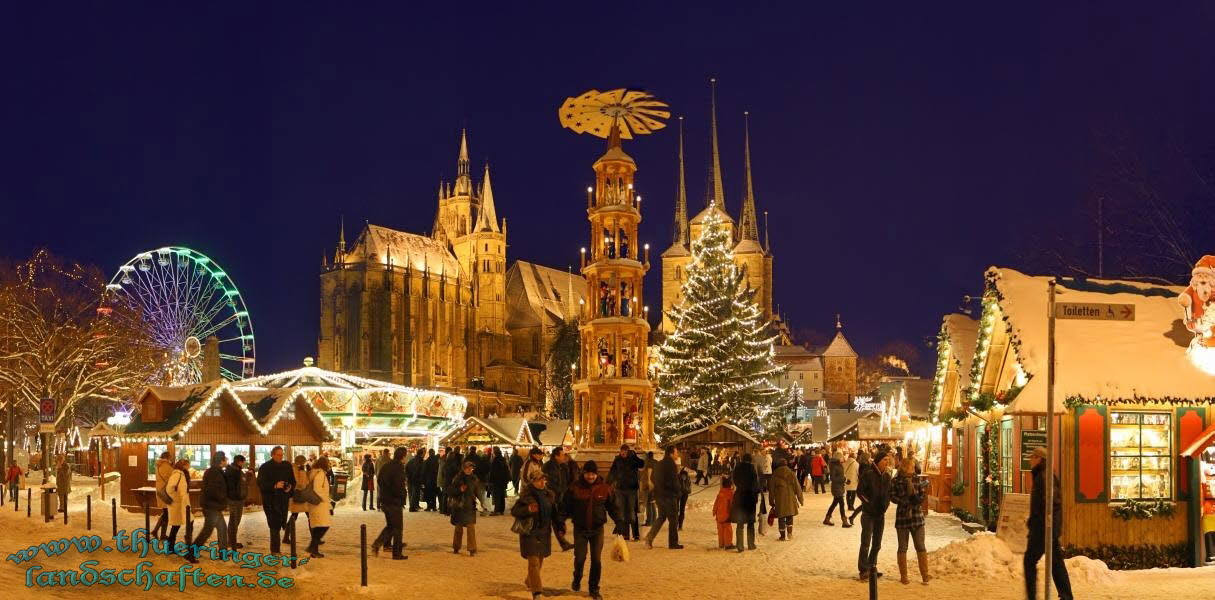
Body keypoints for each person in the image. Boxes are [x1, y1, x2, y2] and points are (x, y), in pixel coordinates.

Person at [1024, 447, 1074, 600]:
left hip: (1043, 530)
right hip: (1045, 528)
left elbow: (1051, 504)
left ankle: (1033, 597)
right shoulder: (1042, 476)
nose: (1029, 460)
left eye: (1032, 457)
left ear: (1039, 459)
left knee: (1029, 561)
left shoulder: (1044, 477)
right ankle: (1066, 596)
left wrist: (1042, 525)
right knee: (1056, 564)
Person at [566, 460, 616, 600]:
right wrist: (560, 522)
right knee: (580, 558)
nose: (591, 477)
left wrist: (620, 522)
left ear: (596, 474)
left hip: (597, 529)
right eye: (588, 474)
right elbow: (566, 506)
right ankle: (577, 577)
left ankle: (594, 588)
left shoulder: (604, 488)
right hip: (580, 528)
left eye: (593, 474)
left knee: (596, 560)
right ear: (584, 473)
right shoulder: (574, 488)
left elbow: (612, 507)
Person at [512, 470, 559, 600]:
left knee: (540, 560)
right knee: (533, 561)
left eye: (544, 480)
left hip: (544, 532)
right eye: (539, 480)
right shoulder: (526, 495)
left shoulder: (549, 495)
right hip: (530, 532)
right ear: (532, 481)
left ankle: (529, 581)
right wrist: (527, 510)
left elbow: (554, 513)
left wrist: (560, 525)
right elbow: (515, 511)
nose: (542, 482)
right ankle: (537, 592)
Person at [891, 456, 931, 585]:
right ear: (904, 467)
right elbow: (892, 496)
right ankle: (904, 576)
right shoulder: (896, 481)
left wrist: (918, 498)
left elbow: (922, 495)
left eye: (914, 466)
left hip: (916, 516)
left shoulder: (917, 479)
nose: (914, 468)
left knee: (920, 546)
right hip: (903, 516)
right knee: (903, 547)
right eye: (912, 466)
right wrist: (903, 502)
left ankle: (925, 574)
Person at [857, 450, 894, 581]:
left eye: (888, 460)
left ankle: (872, 566)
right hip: (868, 514)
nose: (887, 462)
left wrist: (886, 504)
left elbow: (889, 493)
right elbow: (860, 492)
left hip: (880, 514)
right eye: (885, 460)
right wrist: (869, 504)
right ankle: (863, 569)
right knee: (866, 542)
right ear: (878, 461)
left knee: (877, 543)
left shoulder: (887, 476)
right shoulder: (868, 474)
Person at [256, 446, 294, 554]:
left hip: (283, 500)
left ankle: (276, 549)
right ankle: (275, 550)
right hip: (270, 500)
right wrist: (275, 485)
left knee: (279, 523)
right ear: (272, 455)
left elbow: (292, 480)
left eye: (282, 455)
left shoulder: (286, 466)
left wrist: (290, 488)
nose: (280, 457)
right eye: (278, 455)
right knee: (274, 525)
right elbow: (261, 484)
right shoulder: (265, 467)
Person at [371, 447, 408, 560]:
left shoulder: (387, 466)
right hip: (394, 501)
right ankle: (396, 553)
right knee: (397, 528)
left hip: (385, 499)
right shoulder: (398, 468)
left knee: (391, 526)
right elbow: (399, 486)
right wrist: (402, 496)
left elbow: (380, 480)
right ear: (403, 456)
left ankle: (378, 544)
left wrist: (385, 491)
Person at [645, 445, 683, 549]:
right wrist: (678, 491)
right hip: (669, 495)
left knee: (661, 517)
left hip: (659, 494)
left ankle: (649, 537)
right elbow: (673, 481)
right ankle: (673, 543)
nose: (677, 454)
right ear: (671, 454)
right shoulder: (671, 465)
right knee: (673, 519)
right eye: (676, 452)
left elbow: (653, 478)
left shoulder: (659, 464)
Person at [192, 451, 229, 555]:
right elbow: (213, 490)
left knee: (222, 528)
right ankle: (191, 552)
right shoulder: (215, 472)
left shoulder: (214, 471)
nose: (226, 461)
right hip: (212, 506)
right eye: (225, 459)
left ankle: (223, 552)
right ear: (221, 461)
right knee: (207, 531)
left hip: (213, 505)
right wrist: (222, 498)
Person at [607, 444, 644, 541]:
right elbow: (612, 471)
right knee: (622, 512)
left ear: (628, 452)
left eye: (625, 451)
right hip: (620, 489)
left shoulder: (632, 459)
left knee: (632, 511)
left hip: (631, 489)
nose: (623, 453)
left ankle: (636, 534)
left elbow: (641, 464)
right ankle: (625, 534)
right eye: (621, 451)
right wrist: (608, 482)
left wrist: (635, 456)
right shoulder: (617, 459)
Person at [544, 447, 576, 551]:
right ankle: (545, 544)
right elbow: (550, 482)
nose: (564, 457)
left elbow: (565, 480)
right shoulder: (549, 467)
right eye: (562, 455)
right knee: (548, 522)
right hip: (550, 498)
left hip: (559, 498)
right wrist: (559, 491)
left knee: (557, 522)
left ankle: (563, 543)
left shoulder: (562, 466)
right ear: (556, 456)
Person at [164, 459, 196, 563]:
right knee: (189, 525)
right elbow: (177, 491)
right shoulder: (179, 475)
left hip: (177, 505)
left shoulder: (177, 474)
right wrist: (183, 503)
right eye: (188, 465)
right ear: (184, 466)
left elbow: (172, 489)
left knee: (176, 525)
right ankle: (189, 551)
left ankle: (170, 547)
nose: (189, 467)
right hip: (181, 505)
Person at [448, 460, 481, 555]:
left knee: (471, 528)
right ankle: (456, 547)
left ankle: (472, 549)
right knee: (458, 529)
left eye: (471, 468)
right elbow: (450, 491)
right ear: (464, 468)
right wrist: (459, 490)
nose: (470, 470)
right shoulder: (458, 478)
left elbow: (476, 491)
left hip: (470, 506)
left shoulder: (474, 479)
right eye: (468, 468)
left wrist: (480, 501)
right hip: (459, 506)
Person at [768, 457, 803, 540]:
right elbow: (797, 487)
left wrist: (771, 501)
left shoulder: (775, 475)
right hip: (790, 497)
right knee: (790, 516)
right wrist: (800, 499)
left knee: (781, 517)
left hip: (780, 499)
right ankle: (790, 534)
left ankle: (782, 536)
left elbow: (771, 490)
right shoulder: (791, 473)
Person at [304, 456, 332, 558]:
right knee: (324, 525)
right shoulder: (320, 474)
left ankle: (314, 550)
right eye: (328, 463)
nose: (329, 464)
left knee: (318, 527)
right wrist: (325, 499)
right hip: (319, 504)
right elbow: (317, 488)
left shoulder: (316, 472)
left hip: (316, 504)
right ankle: (312, 547)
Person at [730, 452, 759, 552]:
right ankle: (751, 544)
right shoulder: (751, 469)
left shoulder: (737, 468)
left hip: (740, 497)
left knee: (740, 523)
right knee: (750, 523)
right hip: (750, 497)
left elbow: (735, 480)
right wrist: (756, 495)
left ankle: (740, 545)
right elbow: (755, 483)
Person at [283, 455, 310, 545]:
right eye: (304, 462)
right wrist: (303, 472)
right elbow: (301, 483)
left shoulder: (295, 468)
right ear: (301, 462)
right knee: (309, 516)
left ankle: (286, 536)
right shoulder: (296, 469)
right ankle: (315, 539)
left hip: (298, 496)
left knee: (295, 516)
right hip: (299, 496)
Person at [225, 455, 249, 549]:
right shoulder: (235, 471)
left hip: (235, 498)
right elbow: (238, 485)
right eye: (243, 462)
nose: (243, 464)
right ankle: (231, 542)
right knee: (234, 521)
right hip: (235, 499)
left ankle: (231, 541)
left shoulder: (233, 470)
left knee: (234, 521)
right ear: (240, 462)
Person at [825, 450, 850, 527]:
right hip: (836, 488)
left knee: (834, 503)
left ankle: (827, 518)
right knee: (841, 504)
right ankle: (844, 521)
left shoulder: (839, 465)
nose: (843, 457)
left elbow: (840, 476)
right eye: (842, 456)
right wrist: (843, 479)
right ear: (838, 457)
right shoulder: (834, 466)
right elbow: (833, 478)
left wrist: (845, 480)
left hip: (840, 487)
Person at [151, 451, 173, 539]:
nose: (171, 458)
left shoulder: (159, 465)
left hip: (161, 491)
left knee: (165, 513)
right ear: (167, 457)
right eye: (170, 457)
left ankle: (159, 532)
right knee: (166, 513)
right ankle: (157, 532)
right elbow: (171, 478)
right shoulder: (166, 466)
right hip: (166, 491)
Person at [712, 476, 735, 550]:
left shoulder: (720, 493)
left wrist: (714, 511)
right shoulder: (730, 493)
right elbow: (732, 505)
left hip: (719, 515)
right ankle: (728, 544)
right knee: (727, 530)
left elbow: (716, 503)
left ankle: (721, 544)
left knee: (720, 530)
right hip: (726, 515)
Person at [848, 450, 871, 522]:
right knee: (865, 504)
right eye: (869, 457)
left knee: (865, 504)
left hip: (864, 485)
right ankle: (853, 517)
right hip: (866, 487)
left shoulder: (861, 464)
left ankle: (852, 517)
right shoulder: (866, 465)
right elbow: (865, 476)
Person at [489, 447, 510, 515]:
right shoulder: (503, 459)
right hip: (503, 481)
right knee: (501, 495)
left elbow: (493, 472)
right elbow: (506, 470)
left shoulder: (495, 460)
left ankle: (497, 510)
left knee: (497, 495)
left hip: (497, 481)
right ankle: (501, 510)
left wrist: (490, 480)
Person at [639, 451, 656, 527]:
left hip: (649, 485)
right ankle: (654, 521)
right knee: (652, 503)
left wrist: (649, 481)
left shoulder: (648, 462)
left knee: (649, 503)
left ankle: (649, 521)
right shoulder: (656, 462)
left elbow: (649, 470)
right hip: (656, 484)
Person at [406, 447, 425, 512]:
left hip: (410, 479)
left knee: (411, 493)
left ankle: (415, 505)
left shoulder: (411, 460)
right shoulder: (420, 461)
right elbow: (420, 471)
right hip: (416, 480)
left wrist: (408, 476)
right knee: (415, 493)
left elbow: (406, 468)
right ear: (422, 454)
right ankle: (412, 507)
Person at [677, 465, 692, 530]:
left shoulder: (688, 480)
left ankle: (680, 525)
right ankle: (676, 523)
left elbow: (689, 490)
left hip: (684, 495)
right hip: (677, 495)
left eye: (685, 476)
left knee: (682, 510)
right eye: (682, 476)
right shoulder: (677, 478)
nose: (684, 477)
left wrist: (683, 483)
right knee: (676, 510)